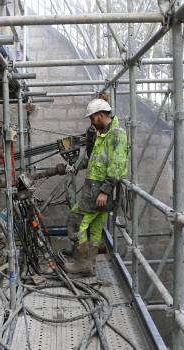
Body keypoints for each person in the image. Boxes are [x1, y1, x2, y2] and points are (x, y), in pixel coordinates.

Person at [64, 98, 128, 275]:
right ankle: (89, 263)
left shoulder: (116, 134)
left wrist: (104, 192)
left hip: (99, 191)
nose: (91, 122)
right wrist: (76, 166)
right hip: (96, 189)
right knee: (96, 227)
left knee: (75, 222)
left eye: (92, 118)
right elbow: (96, 160)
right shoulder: (103, 135)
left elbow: (116, 165)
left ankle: (83, 261)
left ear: (100, 115)